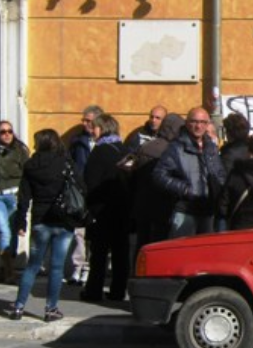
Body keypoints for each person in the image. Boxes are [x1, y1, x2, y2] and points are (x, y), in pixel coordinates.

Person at [9, 129, 83, 322]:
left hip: (40, 220)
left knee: (32, 266)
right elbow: (81, 186)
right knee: (57, 267)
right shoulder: (65, 163)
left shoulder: (31, 165)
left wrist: (21, 222)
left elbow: (23, 197)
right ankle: (51, 309)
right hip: (64, 220)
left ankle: (19, 306)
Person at [153, 107, 226, 238]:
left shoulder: (211, 147)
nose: (198, 126)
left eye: (203, 122)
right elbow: (159, 175)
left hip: (208, 210)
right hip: (185, 210)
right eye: (194, 121)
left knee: (206, 249)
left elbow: (220, 172)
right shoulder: (176, 147)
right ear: (187, 123)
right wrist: (184, 189)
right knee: (182, 249)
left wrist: (218, 188)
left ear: (207, 124)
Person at [81, 113, 131, 302]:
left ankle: (94, 291)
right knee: (120, 253)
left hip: (102, 210)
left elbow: (90, 182)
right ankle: (118, 290)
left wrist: (91, 207)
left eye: (94, 127)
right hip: (123, 209)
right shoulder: (124, 149)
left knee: (99, 253)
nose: (92, 131)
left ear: (102, 129)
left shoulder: (100, 151)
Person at [128, 113, 185, 253]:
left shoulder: (145, 146)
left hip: (142, 201)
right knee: (160, 243)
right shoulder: (174, 150)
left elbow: (132, 174)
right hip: (164, 204)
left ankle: (138, 265)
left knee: (142, 241)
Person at [0, 119, 30, 283]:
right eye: (3, 132)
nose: (7, 135)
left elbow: (27, 173)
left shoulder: (20, 150)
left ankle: (6, 269)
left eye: (10, 131)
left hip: (14, 195)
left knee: (13, 232)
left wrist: (25, 195)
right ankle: (9, 271)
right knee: (4, 232)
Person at [66, 104, 102, 285]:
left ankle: (89, 267)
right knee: (78, 232)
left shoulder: (106, 142)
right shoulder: (77, 142)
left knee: (94, 232)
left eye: (88, 120)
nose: (85, 123)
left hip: (98, 192)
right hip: (80, 192)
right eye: (84, 120)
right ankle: (77, 267)